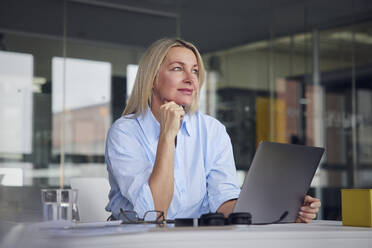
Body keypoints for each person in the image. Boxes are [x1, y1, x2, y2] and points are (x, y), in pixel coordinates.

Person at [105, 38, 320, 223]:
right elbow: (154, 213)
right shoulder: (125, 132)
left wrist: (283, 211)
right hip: (137, 240)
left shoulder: (212, 130)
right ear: (152, 78)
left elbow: (222, 201)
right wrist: (167, 135)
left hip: (197, 238)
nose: (190, 79)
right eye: (178, 68)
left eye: (195, 71)